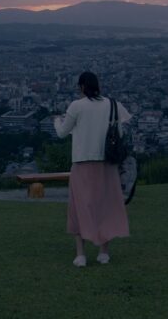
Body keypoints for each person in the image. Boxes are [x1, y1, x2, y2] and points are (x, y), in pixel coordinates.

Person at [54, 71, 131, 267]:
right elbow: (120, 133)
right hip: (107, 163)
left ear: (81, 87)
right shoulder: (113, 105)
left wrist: (57, 121)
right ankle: (104, 253)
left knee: (80, 207)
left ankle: (81, 255)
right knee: (106, 206)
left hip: (82, 163)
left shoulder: (76, 106)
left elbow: (62, 133)